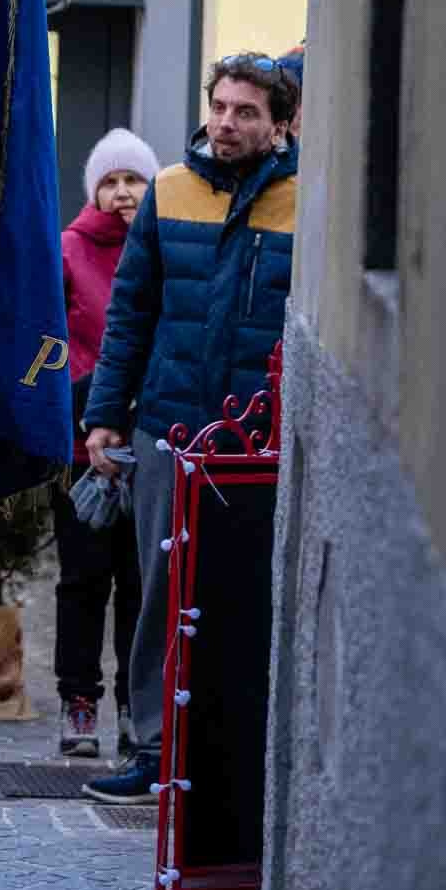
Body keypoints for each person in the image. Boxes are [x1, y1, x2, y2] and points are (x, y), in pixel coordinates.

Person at [79, 55, 298, 804]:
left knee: (244, 597)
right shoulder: (168, 191)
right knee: (160, 591)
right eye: (221, 107)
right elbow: (129, 315)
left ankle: (233, 760)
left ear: (279, 124)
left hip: (255, 442)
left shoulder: (308, 202)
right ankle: (151, 748)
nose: (229, 122)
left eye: (247, 111)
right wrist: (105, 417)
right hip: (168, 433)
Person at [53, 127, 155, 759]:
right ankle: (79, 700)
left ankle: (132, 703)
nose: (121, 192)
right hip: (79, 440)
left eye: (133, 180)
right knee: (83, 578)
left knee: (141, 582)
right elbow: (48, 343)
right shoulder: (67, 249)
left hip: (148, 437)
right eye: (110, 181)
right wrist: (78, 415)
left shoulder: (165, 244)